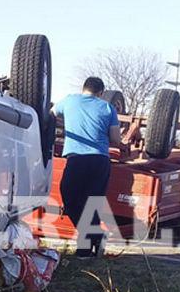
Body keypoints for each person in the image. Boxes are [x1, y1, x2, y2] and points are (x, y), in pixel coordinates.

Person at [51, 77, 128, 258]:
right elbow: (116, 139)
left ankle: (86, 247)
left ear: (83, 88)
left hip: (76, 159)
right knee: (91, 203)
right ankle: (93, 239)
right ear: (101, 93)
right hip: (99, 160)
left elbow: (51, 114)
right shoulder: (107, 108)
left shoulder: (69, 100)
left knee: (70, 200)